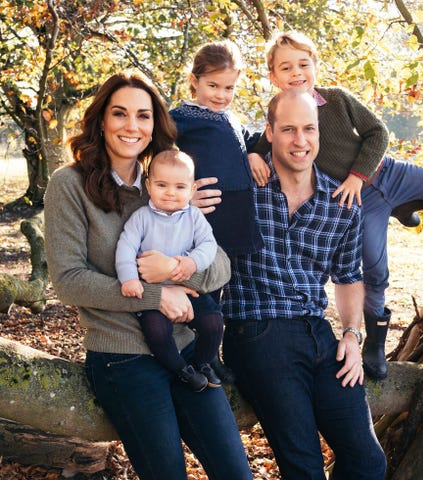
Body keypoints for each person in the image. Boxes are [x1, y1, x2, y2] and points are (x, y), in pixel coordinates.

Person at [44, 71, 253, 480]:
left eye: (143, 116)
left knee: (236, 473)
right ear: (101, 120)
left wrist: (178, 271)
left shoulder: (166, 184)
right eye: (120, 114)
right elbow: (69, 281)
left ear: (155, 124)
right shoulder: (68, 184)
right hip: (123, 355)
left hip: (186, 349)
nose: (131, 126)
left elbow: (222, 264)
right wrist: (157, 297)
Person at [248, 31, 423, 380]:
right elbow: (263, 143)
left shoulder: (336, 99)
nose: (297, 73)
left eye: (304, 64)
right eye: (286, 68)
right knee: (375, 271)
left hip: (387, 174)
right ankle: (375, 345)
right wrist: (251, 155)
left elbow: (378, 132)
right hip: (360, 203)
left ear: (315, 66)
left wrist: (356, 175)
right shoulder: (283, 116)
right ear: (274, 77)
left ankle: (404, 205)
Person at [221, 89, 387, 479]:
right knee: (304, 467)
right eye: (289, 129)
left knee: (368, 462)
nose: (300, 140)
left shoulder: (341, 201)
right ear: (270, 132)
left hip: (318, 333)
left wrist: (351, 334)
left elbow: (348, 276)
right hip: (258, 331)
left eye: (308, 129)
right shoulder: (242, 185)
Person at [115, 149, 223, 392]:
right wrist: (130, 279)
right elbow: (125, 247)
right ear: (149, 185)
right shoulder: (141, 218)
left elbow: (208, 245)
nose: (171, 193)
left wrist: (192, 263)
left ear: (192, 190)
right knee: (157, 332)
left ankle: (202, 363)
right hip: (152, 293)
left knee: (213, 322)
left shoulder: (194, 217)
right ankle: (181, 370)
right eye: (162, 185)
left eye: (180, 187)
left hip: (185, 288)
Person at [169, 39, 263, 258]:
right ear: (194, 81)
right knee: (203, 281)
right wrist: (180, 194)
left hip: (238, 216)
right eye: (213, 86)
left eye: (229, 88)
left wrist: (255, 153)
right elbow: (154, 149)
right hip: (210, 215)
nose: (221, 95)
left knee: (231, 281)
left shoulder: (230, 118)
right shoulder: (183, 117)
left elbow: (253, 141)